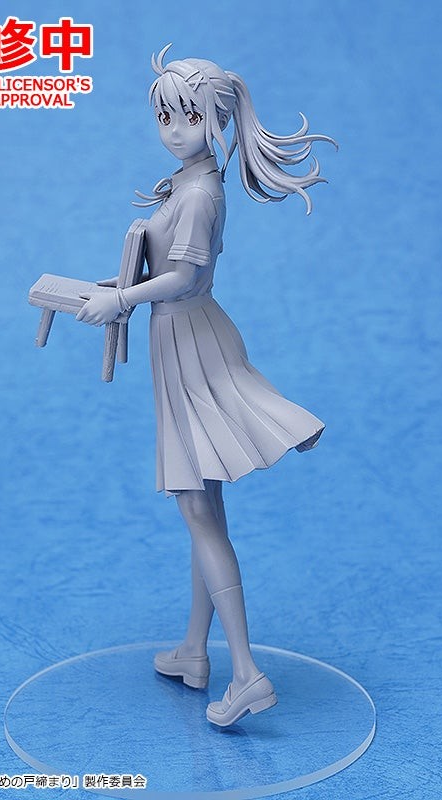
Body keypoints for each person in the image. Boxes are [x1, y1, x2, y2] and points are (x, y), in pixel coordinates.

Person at [76, 45, 336, 726]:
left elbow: (186, 277)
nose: (173, 129)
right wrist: (118, 286)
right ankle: (195, 651)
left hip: (190, 340)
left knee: (196, 505)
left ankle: (246, 674)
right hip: (181, 335)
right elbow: (165, 268)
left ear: (214, 118)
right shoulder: (187, 181)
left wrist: (122, 301)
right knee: (204, 505)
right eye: (164, 116)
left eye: (187, 116)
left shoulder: (198, 193)